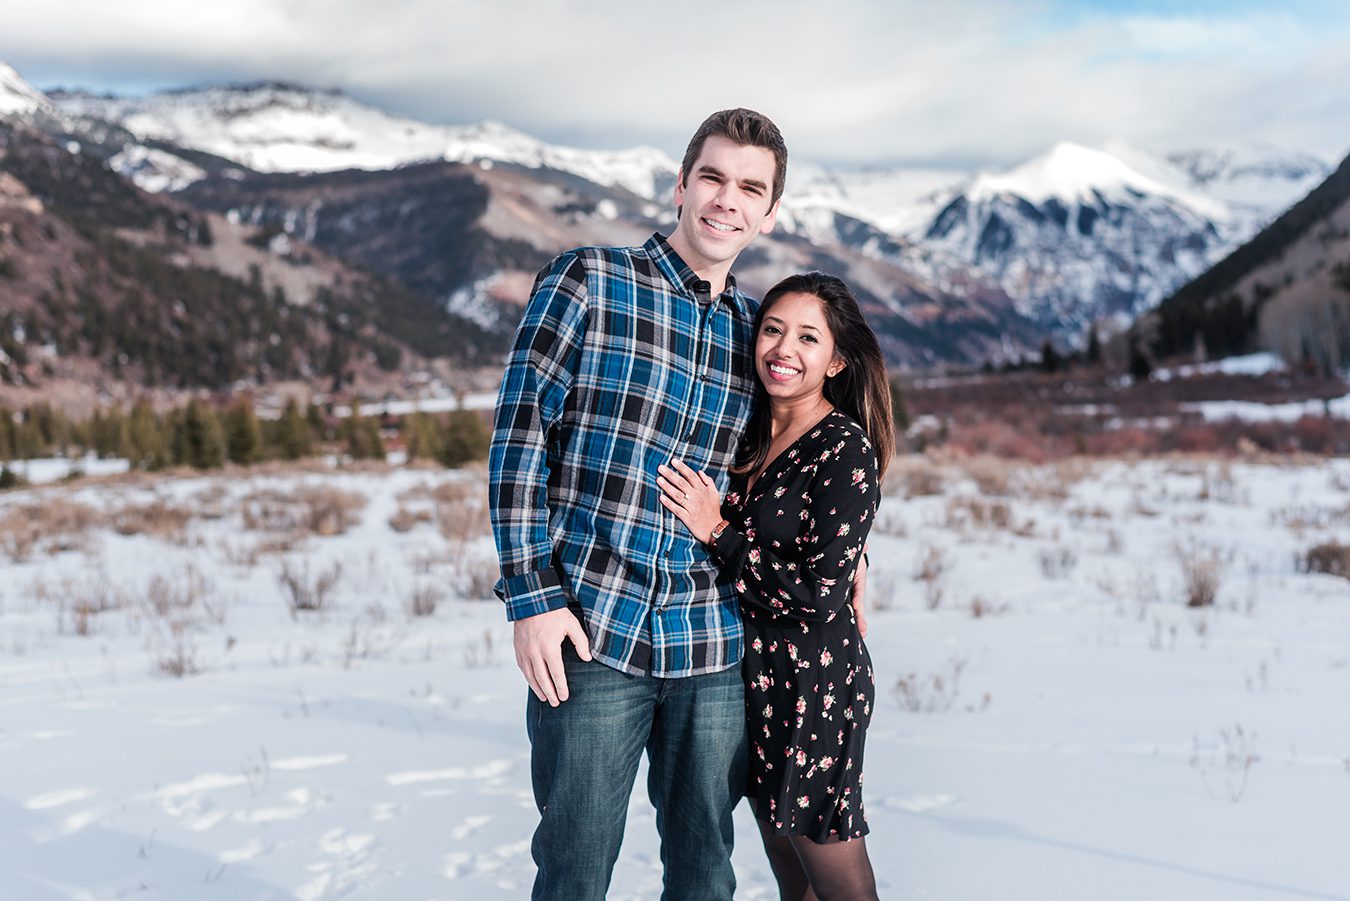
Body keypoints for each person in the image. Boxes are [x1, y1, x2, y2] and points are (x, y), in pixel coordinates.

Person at [492, 109, 869, 900]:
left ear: (769, 214)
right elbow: (521, 436)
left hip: (715, 644)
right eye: (714, 177)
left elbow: (791, 462)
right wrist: (531, 596)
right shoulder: (589, 280)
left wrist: (852, 554)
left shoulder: (755, 331)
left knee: (705, 873)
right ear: (681, 187)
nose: (728, 199)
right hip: (593, 633)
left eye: (751, 188)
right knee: (575, 867)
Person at [657, 272, 894, 901]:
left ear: (837, 360)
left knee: (837, 882)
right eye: (772, 329)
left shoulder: (844, 448)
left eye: (808, 338)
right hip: (752, 679)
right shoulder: (750, 431)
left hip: (813, 685)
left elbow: (819, 596)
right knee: (794, 881)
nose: (783, 349)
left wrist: (717, 531)